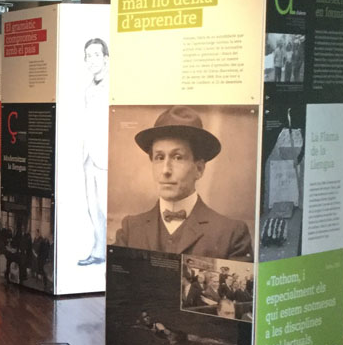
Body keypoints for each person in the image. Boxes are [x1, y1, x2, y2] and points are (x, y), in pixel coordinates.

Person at [113, 106, 253, 260]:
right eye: (159, 157)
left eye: (177, 157)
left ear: (199, 169)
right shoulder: (130, 230)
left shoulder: (231, 234)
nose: (165, 170)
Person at [79, 37, 108, 265]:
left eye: (96, 55)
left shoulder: (112, 87)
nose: (92, 60)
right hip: (89, 155)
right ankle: (99, 250)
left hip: (105, 156)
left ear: (106, 58)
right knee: (92, 206)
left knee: (105, 205)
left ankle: (109, 250)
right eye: (88, 56)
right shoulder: (89, 88)